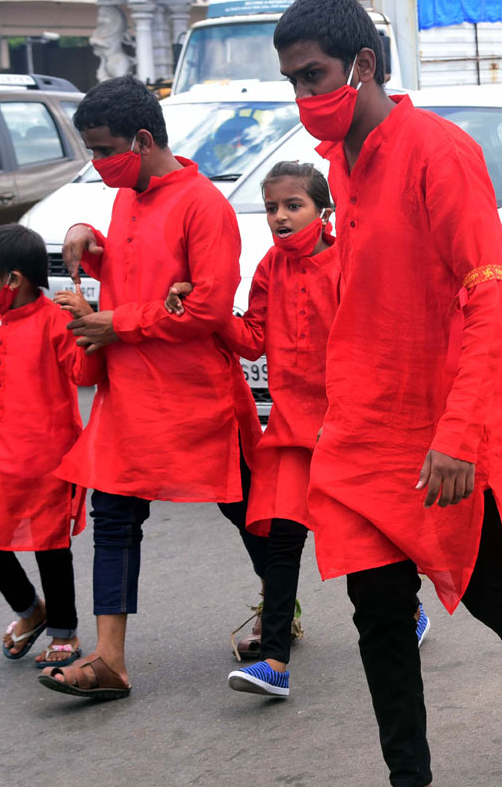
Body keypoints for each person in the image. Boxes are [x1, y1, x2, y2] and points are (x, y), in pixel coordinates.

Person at [273, 0, 502, 787]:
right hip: (363, 428)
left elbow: (488, 302)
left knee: (493, 590)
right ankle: (408, 782)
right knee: (378, 607)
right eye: (294, 81)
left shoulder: (438, 153)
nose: (306, 96)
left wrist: (458, 433)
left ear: (364, 67)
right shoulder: (343, 162)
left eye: (315, 76)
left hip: (442, 426)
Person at [37, 75, 267, 700]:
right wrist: (97, 249)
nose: (97, 162)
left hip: (196, 398)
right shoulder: (126, 198)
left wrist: (118, 322)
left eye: (104, 148)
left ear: (141, 139)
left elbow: (211, 307)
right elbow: (147, 277)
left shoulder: (204, 206)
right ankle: (109, 657)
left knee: (250, 512)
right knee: (113, 516)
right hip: (129, 394)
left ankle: (280, 610)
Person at [166, 162, 430, 697]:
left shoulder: (349, 260)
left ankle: (412, 608)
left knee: (375, 534)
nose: (281, 217)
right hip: (290, 427)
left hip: (351, 426)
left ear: (323, 210)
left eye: (293, 205)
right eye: (271, 208)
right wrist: (207, 308)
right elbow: (252, 339)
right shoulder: (268, 267)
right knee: (284, 538)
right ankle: (275, 664)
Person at [0, 225, 101, 668]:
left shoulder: (55, 320)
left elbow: (85, 376)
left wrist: (85, 321)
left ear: (13, 280)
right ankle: (30, 610)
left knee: (50, 545)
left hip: (51, 458)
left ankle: (63, 630)